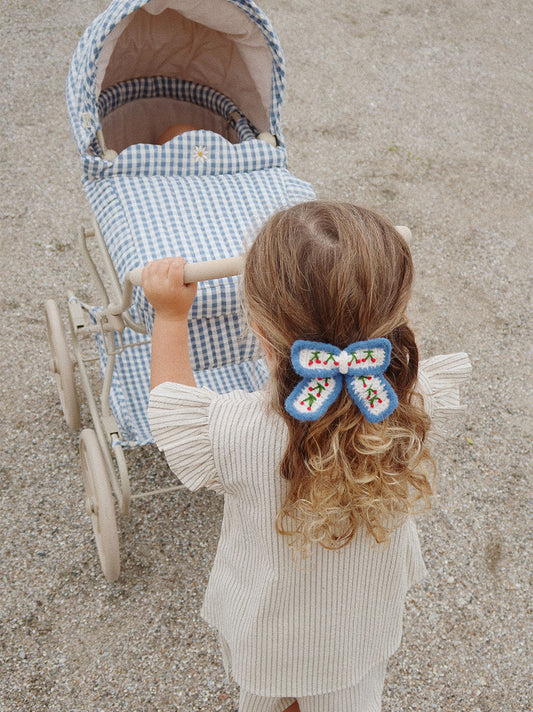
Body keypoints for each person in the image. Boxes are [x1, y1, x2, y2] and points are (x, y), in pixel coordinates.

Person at [144, 201, 470, 712]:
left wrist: (169, 315)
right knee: (354, 696)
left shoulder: (233, 432)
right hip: (362, 616)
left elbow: (169, 405)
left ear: (259, 328)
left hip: (272, 621)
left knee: (269, 693)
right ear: (392, 323)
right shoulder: (411, 405)